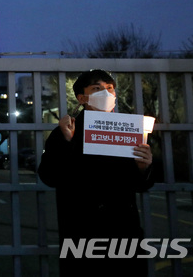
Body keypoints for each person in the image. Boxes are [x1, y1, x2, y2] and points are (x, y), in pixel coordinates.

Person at [37, 69, 154, 277]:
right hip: (81, 229)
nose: (106, 94)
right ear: (82, 98)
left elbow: (141, 184)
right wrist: (65, 142)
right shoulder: (67, 130)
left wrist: (143, 168)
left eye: (110, 89)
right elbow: (49, 176)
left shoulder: (129, 131)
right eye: (97, 89)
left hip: (124, 229)